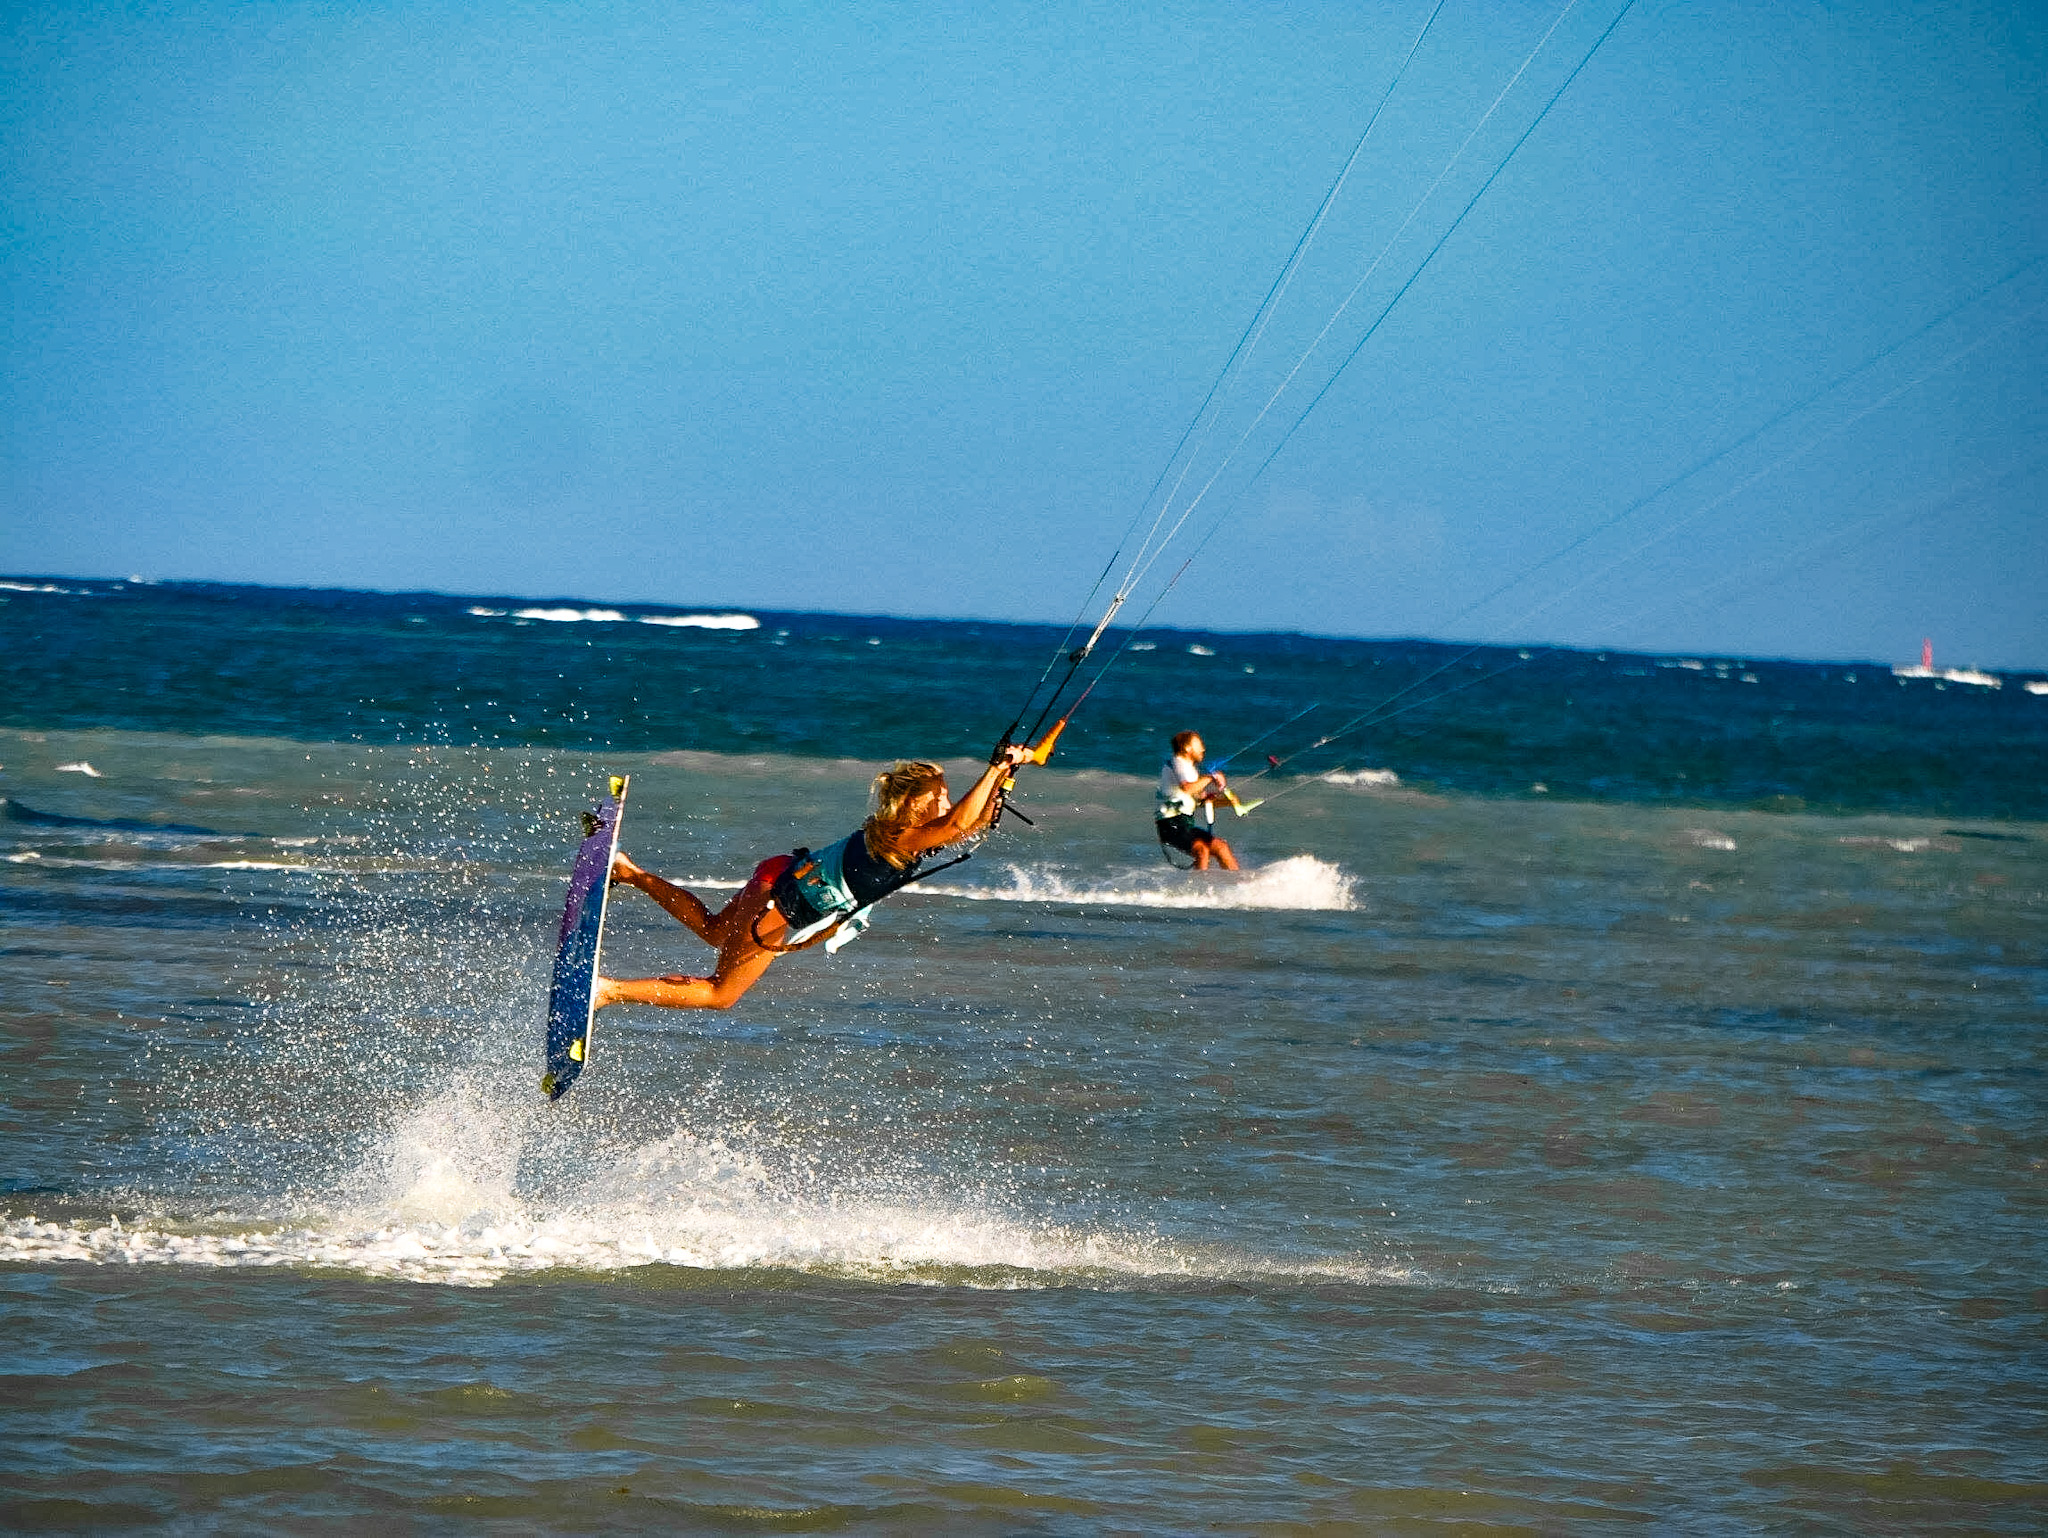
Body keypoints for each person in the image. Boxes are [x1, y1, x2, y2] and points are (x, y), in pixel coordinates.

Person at [595, 744, 1034, 1011]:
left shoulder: (906, 832)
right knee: (720, 994)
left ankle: (630, 872)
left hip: (780, 876)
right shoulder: (903, 836)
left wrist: (1007, 774)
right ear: (919, 803)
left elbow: (968, 822)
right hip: (782, 902)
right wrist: (995, 768)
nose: (949, 800)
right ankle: (609, 990)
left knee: (714, 930)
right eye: (941, 794)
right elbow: (960, 824)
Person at [1155, 730, 1239, 870]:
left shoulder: (1189, 770)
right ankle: (1197, 890)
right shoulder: (1178, 761)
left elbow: (1200, 799)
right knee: (1202, 850)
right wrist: (1211, 777)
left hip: (1184, 824)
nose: (1203, 749)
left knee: (1221, 847)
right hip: (1170, 825)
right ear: (1188, 748)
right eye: (1199, 744)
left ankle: (1239, 887)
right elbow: (1188, 789)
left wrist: (1229, 801)